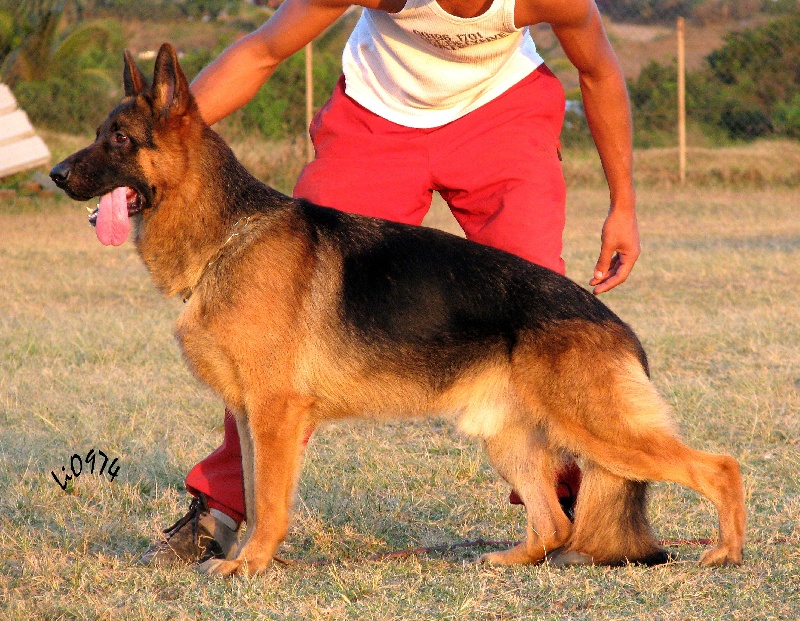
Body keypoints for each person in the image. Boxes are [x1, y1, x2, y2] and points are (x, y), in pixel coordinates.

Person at [141, 0, 641, 566]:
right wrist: (163, 137)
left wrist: (623, 204)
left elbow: (599, 71)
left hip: (502, 114)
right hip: (374, 120)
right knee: (273, 315)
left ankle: (569, 507)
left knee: (538, 309)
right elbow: (262, 51)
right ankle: (223, 509)